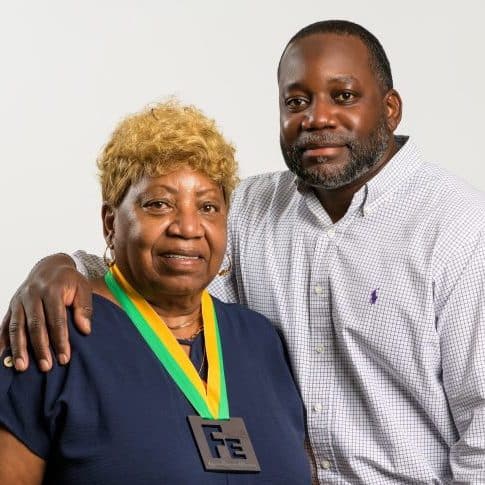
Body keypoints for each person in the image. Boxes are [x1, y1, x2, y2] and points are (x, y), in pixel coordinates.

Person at [2, 19, 485, 484]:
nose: (317, 118)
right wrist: (58, 266)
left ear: (391, 108)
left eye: (344, 96)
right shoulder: (253, 208)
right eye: (297, 100)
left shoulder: (457, 227)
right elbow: (153, 268)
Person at [0, 101, 311, 484]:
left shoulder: (260, 340)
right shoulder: (55, 331)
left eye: (208, 206)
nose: (188, 227)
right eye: (159, 204)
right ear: (111, 223)